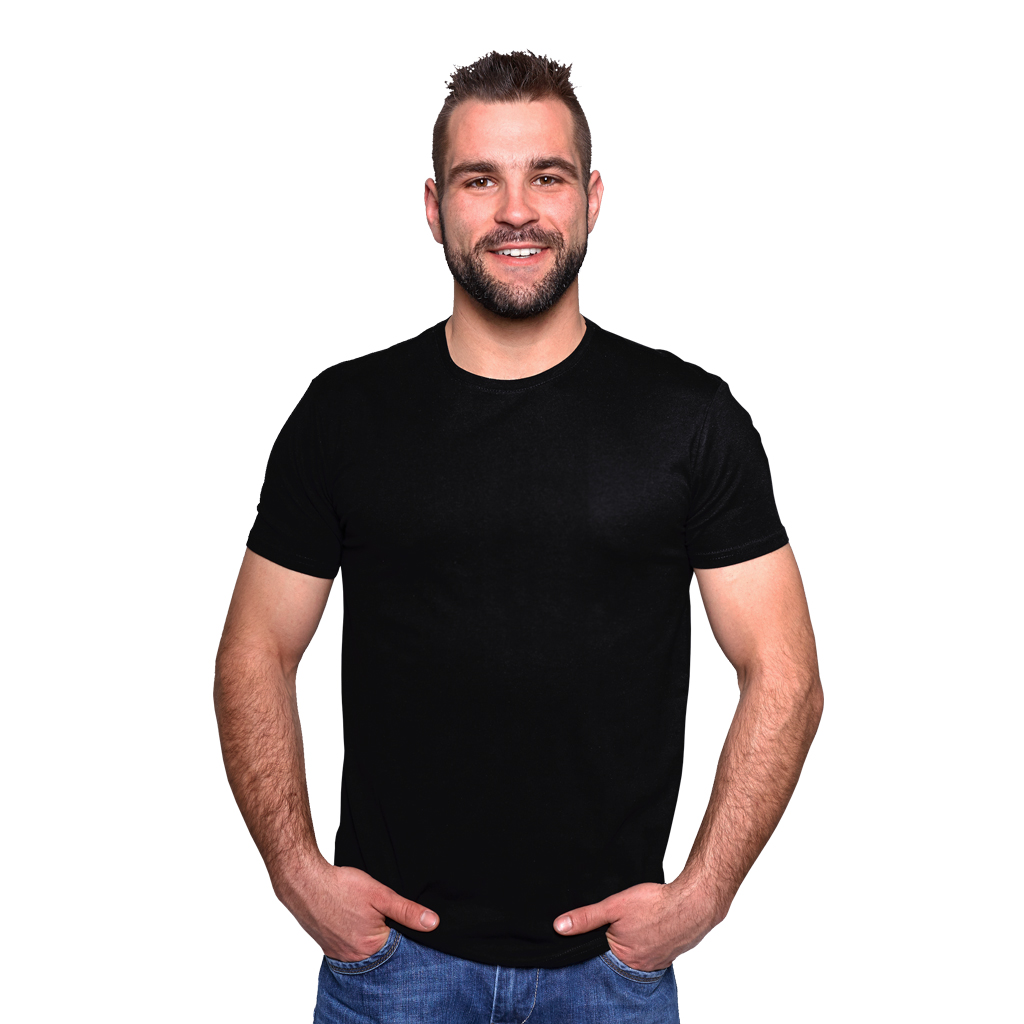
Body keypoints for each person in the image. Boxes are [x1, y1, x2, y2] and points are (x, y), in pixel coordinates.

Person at [214, 50, 823, 1024]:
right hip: (393, 971)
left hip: (609, 978)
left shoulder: (688, 420)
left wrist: (703, 895)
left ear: (590, 198)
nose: (515, 211)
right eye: (478, 180)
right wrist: (296, 872)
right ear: (433, 206)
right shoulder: (345, 415)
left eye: (545, 177)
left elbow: (784, 671)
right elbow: (255, 648)